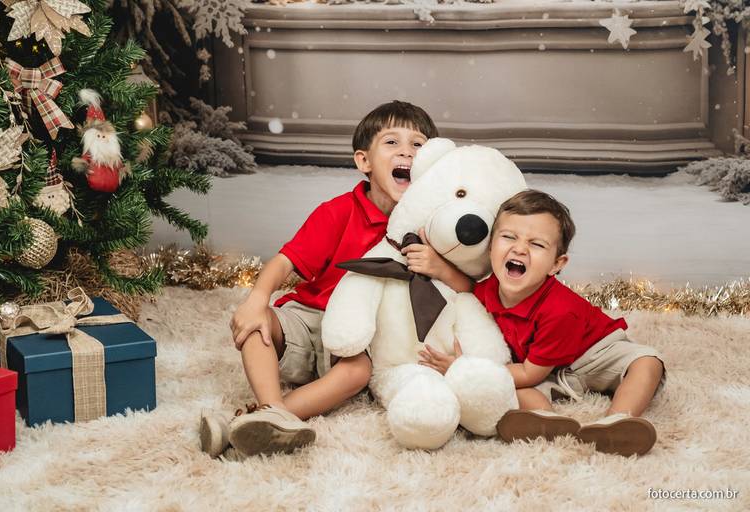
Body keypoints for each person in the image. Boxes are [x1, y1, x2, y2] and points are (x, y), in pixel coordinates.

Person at [200, 101, 475, 459]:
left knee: (358, 371)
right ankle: (271, 410)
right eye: (391, 142)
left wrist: (440, 267)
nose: (406, 151)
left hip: (356, 341)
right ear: (364, 161)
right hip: (310, 316)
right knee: (258, 325)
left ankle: (258, 422)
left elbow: (472, 289)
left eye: (418, 144)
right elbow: (285, 262)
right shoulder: (339, 211)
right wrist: (256, 300)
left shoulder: (436, 227)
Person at [418, 189, 665, 457]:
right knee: (516, 392)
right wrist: (440, 267)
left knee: (646, 363)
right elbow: (467, 288)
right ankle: (543, 420)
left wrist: (467, 369)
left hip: (594, 353)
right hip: (546, 366)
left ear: (556, 264)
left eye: (536, 244)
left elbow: (529, 373)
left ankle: (617, 422)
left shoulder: (561, 310)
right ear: (491, 247)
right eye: (509, 237)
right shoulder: (491, 289)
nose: (520, 248)